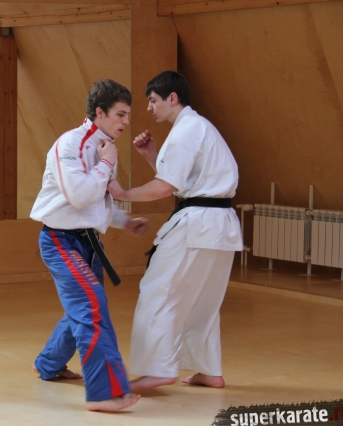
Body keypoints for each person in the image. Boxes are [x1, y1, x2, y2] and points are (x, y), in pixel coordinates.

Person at [108, 71, 243, 391]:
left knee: (159, 289)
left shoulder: (186, 130)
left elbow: (166, 187)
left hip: (198, 222)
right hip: (220, 223)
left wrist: (122, 193)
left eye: (153, 101)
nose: (149, 108)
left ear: (172, 98)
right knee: (203, 300)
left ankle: (157, 369)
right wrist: (152, 156)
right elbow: (187, 182)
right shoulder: (198, 127)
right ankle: (209, 370)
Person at [30, 79, 149, 411]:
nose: (126, 122)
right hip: (60, 241)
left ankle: (48, 364)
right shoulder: (70, 144)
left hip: (89, 242)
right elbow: (79, 197)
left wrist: (124, 221)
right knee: (91, 305)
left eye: (128, 115)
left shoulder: (105, 147)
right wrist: (107, 163)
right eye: (120, 114)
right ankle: (105, 393)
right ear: (100, 112)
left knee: (82, 307)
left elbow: (98, 202)